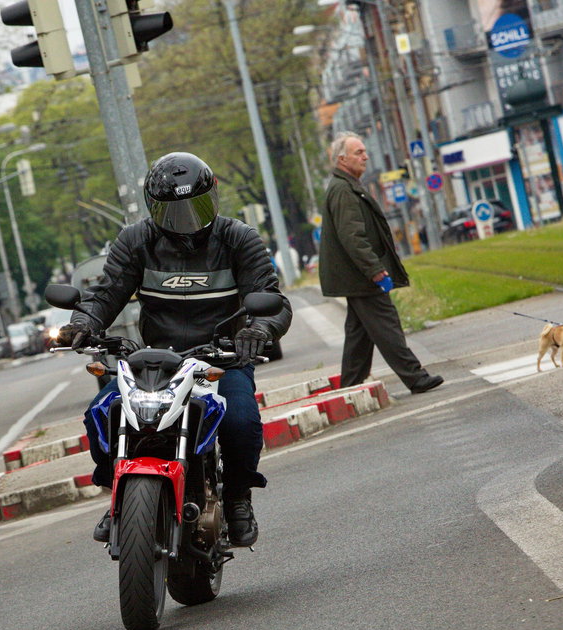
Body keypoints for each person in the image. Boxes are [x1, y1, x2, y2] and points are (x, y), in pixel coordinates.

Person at [55, 152, 292, 547]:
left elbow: (271, 298)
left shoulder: (239, 239)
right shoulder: (137, 240)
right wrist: (83, 323)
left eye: (194, 207)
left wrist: (259, 330)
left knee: (240, 422)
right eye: (173, 212)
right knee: (104, 413)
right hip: (152, 360)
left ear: (213, 196)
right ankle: (119, 493)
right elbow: (106, 294)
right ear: (153, 208)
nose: (185, 220)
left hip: (222, 357)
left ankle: (237, 497)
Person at [318, 132, 443, 394]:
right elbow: (352, 236)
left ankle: (350, 387)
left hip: (355, 276)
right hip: (361, 276)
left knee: (359, 334)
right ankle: (415, 376)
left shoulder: (347, 186)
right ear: (342, 159)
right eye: (358, 152)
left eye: (364, 151)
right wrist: (374, 269)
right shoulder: (343, 190)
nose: (365, 156)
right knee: (387, 325)